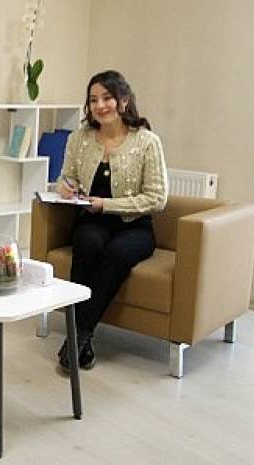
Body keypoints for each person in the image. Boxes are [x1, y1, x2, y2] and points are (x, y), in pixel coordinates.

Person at [55, 70, 167, 371]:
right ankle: (82, 339)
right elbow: (67, 177)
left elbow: (157, 198)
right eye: (93, 100)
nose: (100, 105)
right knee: (87, 243)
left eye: (107, 98)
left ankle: (79, 334)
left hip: (134, 224)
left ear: (123, 100)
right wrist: (65, 187)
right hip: (91, 220)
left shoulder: (147, 142)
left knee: (117, 253)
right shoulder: (79, 138)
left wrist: (106, 205)